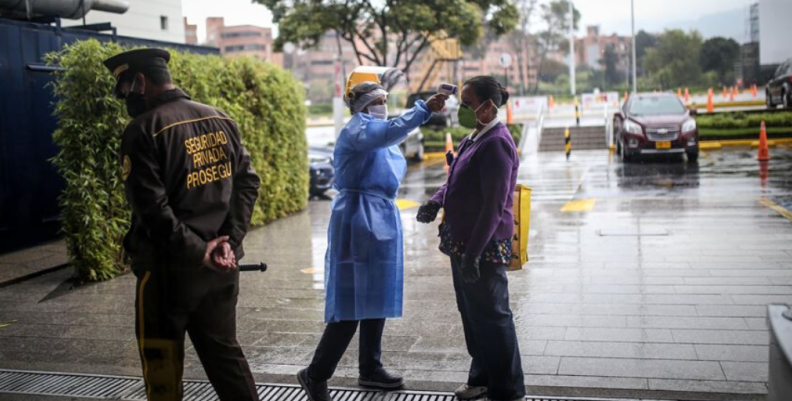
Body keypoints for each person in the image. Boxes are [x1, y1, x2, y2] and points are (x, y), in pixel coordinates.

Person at [103, 48, 261, 401]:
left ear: (141, 82)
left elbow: (152, 209)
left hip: (165, 274)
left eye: (125, 88)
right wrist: (228, 244)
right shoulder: (222, 119)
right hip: (222, 269)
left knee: (162, 368)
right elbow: (248, 184)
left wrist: (196, 252)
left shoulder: (143, 130)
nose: (124, 97)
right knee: (226, 358)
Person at [297, 80, 447, 401]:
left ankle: (370, 368)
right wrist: (422, 110)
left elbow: (390, 134)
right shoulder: (358, 130)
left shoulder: (378, 134)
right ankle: (316, 373)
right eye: (380, 100)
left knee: (377, 296)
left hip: (381, 217)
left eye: (385, 99)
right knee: (352, 304)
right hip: (356, 219)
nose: (384, 104)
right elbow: (389, 130)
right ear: (364, 104)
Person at [416, 76, 525, 401]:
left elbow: (494, 206)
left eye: (466, 103)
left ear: (488, 106)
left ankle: (507, 388)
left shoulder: (497, 144)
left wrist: (474, 254)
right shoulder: (474, 137)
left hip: (483, 247)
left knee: (493, 315)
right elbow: (454, 179)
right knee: (472, 313)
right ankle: (481, 377)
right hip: (462, 244)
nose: (460, 109)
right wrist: (436, 201)